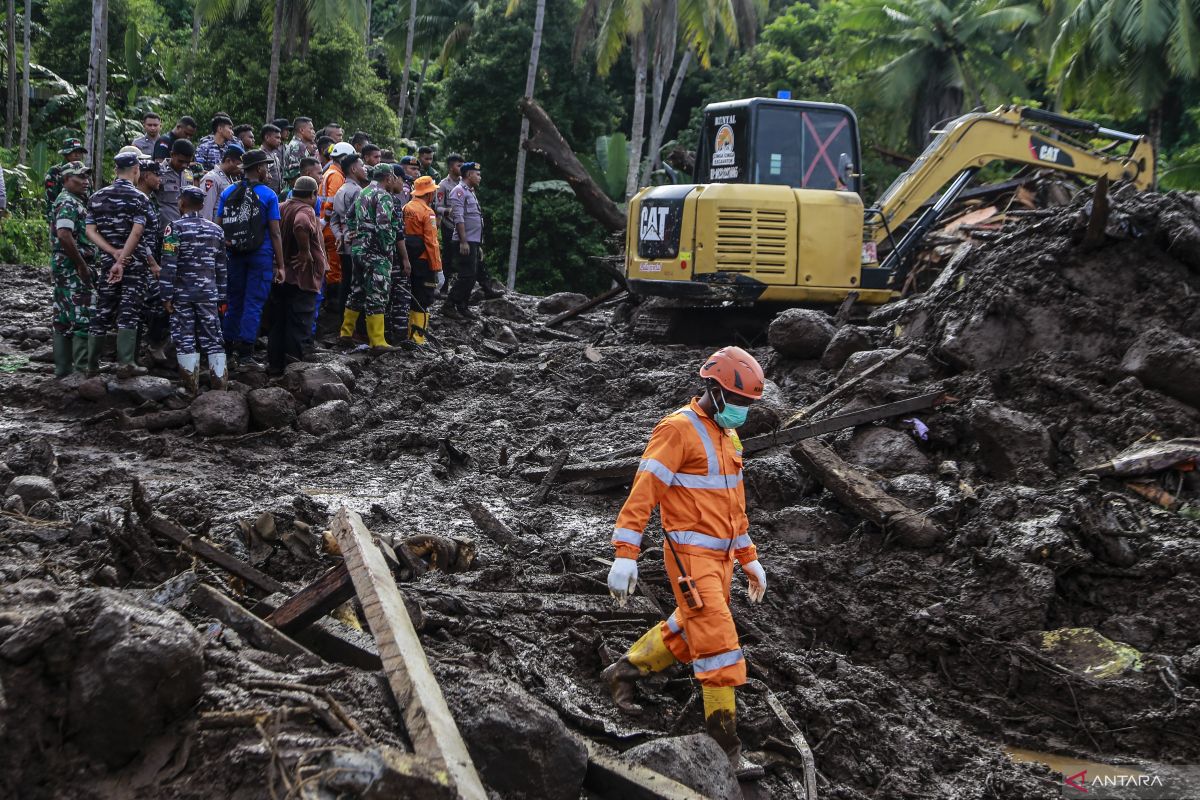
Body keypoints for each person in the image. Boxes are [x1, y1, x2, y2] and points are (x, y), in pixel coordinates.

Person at [602, 347, 768, 777]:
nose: (743, 411)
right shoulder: (677, 430)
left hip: (723, 560)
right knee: (718, 645)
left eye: (749, 404)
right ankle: (725, 749)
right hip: (690, 560)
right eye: (739, 401)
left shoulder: (728, 436)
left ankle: (623, 672)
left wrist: (749, 557)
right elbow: (643, 493)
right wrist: (625, 555)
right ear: (713, 389)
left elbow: (735, 506)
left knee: (689, 629)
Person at [84, 151, 154, 378]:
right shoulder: (139, 198)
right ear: (136, 170)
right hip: (133, 264)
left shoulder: (96, 197)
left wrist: (112, 253)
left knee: (103, 309)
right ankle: (126, 363)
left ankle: (91, 364)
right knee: (129, 310)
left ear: (116, 170)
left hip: (107, 262)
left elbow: (90, 231)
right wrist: (123, 258)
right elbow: (137, 231)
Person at [217, 149, 286, 367]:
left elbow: (218, 227)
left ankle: (227, 351)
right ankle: (246, 354)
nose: (267, 170)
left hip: (234, 254)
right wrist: (280, 265)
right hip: (261, 255)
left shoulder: (227, 192)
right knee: (253, 303)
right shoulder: (268, 195)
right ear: (258, 169)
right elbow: (275, 232)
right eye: (265, 166)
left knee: (234, 301)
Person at [159, 186, 228, 394]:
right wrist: (223, 296)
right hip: (209, 294)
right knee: (214, 339)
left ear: (181, 202)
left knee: (185, 339)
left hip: (182, 295)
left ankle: (190, 389)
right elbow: (222, 267)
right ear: (202, 204)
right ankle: (220, 389)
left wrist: (166, 295)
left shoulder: (174, 229)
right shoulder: (216, 230)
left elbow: (169, 265)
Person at [269, 175, 327, 374]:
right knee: (299, 323)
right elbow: (301, 224)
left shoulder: (281, 206)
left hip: (281, 274)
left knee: (279, 321)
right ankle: (294, 368)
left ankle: (275, 366)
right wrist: (305, 251)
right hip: (301, 277)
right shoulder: (306, 210)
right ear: (313, 195)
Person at [341, 163, 400, 353]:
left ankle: (345, 333)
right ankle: (378, 341)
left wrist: (353, 232)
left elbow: (349, 216)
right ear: (388, 178)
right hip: (376, 253)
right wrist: (387, 247)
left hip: (358, 250)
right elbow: (383, 224)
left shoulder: (363, 192)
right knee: (378, 294)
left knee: (356, 291)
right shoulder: (384, 195)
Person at [48, 162, 96, 377]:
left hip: (64, 266)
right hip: (72, 266)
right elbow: (64, 235)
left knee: (62, 315)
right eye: (80, 177)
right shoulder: (68, 202)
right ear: (66, 180)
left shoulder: (73, 200)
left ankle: (63, 369)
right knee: (82, 315)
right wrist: (81, 265)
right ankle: (81, 368)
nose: (85, 181)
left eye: (87, 177)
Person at [445, 162, 501, 318]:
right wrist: (464, 241)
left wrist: (477, 243)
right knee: (467, 275)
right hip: (464, 241)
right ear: (469, 175)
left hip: (472, 241)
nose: (480, 177)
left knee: (472, 275)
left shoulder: (470, 191)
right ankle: (449, 304)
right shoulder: (459, 191)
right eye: (477, 174)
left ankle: (462, 306)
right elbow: (458, 217)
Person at [401, 175, 442, 346]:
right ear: (429, 194)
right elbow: (431, 242)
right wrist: (438, 269)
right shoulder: (428, 213)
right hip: (424, 262)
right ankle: (418, 339)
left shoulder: (405, 208)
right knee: (423, 299)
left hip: (407, 259)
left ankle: (408, 334)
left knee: (410, 296)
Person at [317, 142, 354, 319]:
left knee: (331, 266)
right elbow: (331, 203)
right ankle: (332, 306)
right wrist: (326, 221)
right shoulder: (337, 176)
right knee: (335, 267)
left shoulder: (328, 172)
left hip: (326, 226)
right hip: (332, 228)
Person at [330, 153, 366, 313]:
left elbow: (334, 219)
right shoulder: (358, 192)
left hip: (344, 244)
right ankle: (352, 326)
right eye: (362, 166)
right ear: (353, 169)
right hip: (356, 245)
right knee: (356, 285)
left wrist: (339, 236)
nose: (365, 169)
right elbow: (361, 220)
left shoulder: (341, 189)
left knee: (346, 282)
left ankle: (341, 320)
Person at [46, 138, 88, 226]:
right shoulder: (55, 171)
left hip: (81, 214)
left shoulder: (84, 171)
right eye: (74, 152)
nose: (77, 155)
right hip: (62, 213)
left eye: (79, 152)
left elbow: (88, 195)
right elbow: (51, 199)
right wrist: (52, 221)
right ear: (66, 154)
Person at [156, 139, 195, 227]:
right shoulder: (158, 172)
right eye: (180, 161)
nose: (184, 165)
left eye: (187, 162)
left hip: (185, 228)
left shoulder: (188, 173)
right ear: (172, 154)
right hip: (165, 228)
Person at [201, 148, 243, 224]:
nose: (241, 170)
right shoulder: (211, 178)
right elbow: (206, 210)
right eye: (239, 165)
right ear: (228, 161)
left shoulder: (229, 178)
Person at [283, 117, 318, 187]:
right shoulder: (298, 146)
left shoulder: (297, 144)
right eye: (311, 129)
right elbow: (296, 176)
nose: (313, 132)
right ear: (302, 130)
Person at [260, 123, 285, 194]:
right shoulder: (260, 156)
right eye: (277, 138)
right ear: (267, 137)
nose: (279, 141)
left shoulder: (274, 155)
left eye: (280, 138)